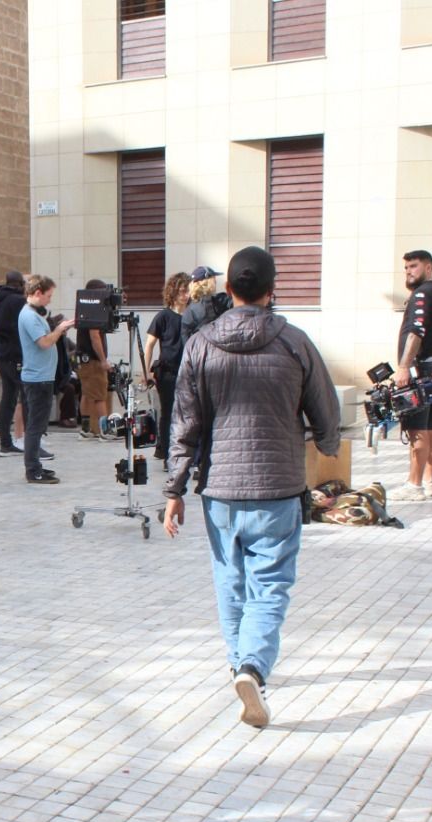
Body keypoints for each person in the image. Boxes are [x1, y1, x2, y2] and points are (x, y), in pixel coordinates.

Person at [161, 246, 340, 730]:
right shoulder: (295, 343)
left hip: (219, 488)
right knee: (271, 584)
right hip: (277, 486)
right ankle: (252, 668)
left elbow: (183, 423)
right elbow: (326, 409)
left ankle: (238, 663)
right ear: (271, 290)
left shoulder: (200, 344)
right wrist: (325, 443)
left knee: (230, 580)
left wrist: (174, 490)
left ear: (229, 291)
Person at [392, 250, 432, 501]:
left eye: (414, 266)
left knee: (417, 427)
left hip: (422, 369)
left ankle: (413, 485)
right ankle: (428, 480)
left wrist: (404, 366)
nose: (408, 271)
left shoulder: (422, 294)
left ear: (428, 267)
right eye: (406, 267)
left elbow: (416, 332)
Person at [17, 276, 74, 485]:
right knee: (35, 427)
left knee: (37, 425)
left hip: (42, 377)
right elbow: (44, 342)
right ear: (38, 293)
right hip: (37, 379)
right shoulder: (29, 316)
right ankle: (33, 470)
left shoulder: (34, 314)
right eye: (48, 296)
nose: (50, 300)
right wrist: (59, 330)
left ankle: (36, 466)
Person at [143, 272, 192, 464]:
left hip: (188, 371)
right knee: (168, 412)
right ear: (173, 292)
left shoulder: (192, 314)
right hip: (167, 372)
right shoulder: (163, 316)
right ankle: (164, 451)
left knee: (186, 414)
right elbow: (149, 344)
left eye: (188, 291)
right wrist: (146, 371)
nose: (185, 295)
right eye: (182, 291)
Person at [0, 270, 27, 456]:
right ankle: (28, 439)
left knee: (8, 399)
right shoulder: (18, 301)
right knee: (26, 396)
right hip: (16, 354)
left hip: (2, 354)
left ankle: (5, 442)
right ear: (19, 284)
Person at [75, 280, 112, 440]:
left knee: (87, 394)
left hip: (83, 360)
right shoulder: (93, 309)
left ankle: (86, 429)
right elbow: (95, 336)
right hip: (93, 360)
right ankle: (105, 430)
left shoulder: (84, 307)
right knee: (99, 395)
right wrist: (103, 360)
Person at [180, 266, 231, 351]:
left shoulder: (188, 310)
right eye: (214, 278)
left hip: (198, 357)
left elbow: (186, 343)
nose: (216, 280)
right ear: (209, 281)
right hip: (219, 354)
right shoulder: (221, 301)